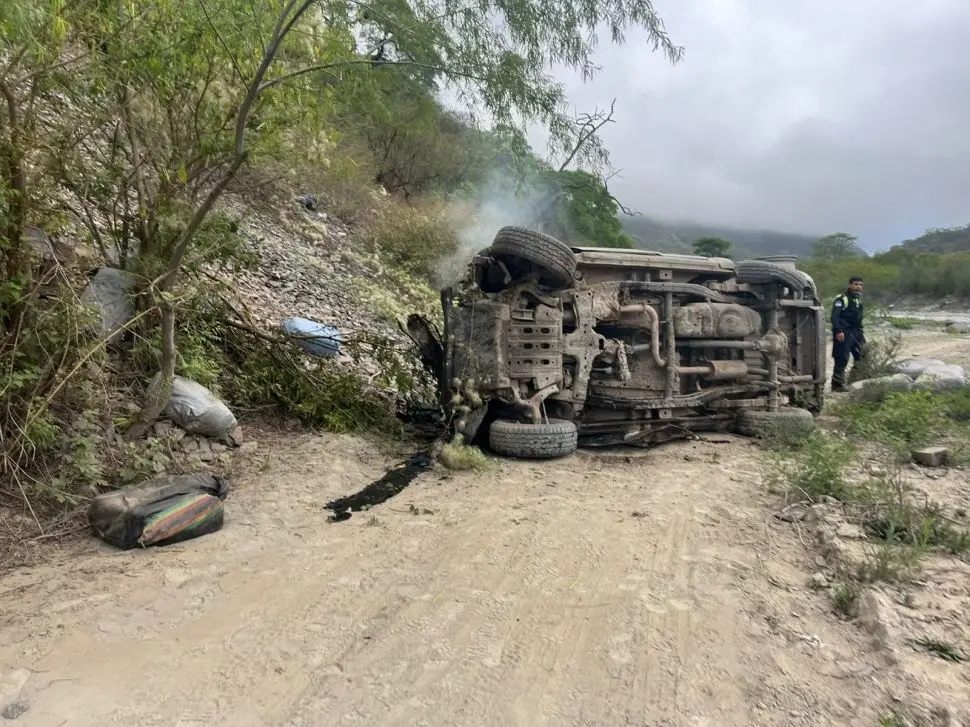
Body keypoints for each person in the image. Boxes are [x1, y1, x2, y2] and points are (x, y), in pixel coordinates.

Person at [831, 276, 865, 391]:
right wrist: (839, 331)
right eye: (856, 284)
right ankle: (837, 385)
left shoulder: (858, 299)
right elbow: (834, 317)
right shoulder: (842, 299)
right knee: (842, 358)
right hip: (844, 332)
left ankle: (854, 381)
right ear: (850, 285)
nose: (858, 287)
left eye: (860, 284)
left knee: (862, 355)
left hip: (857, 332)